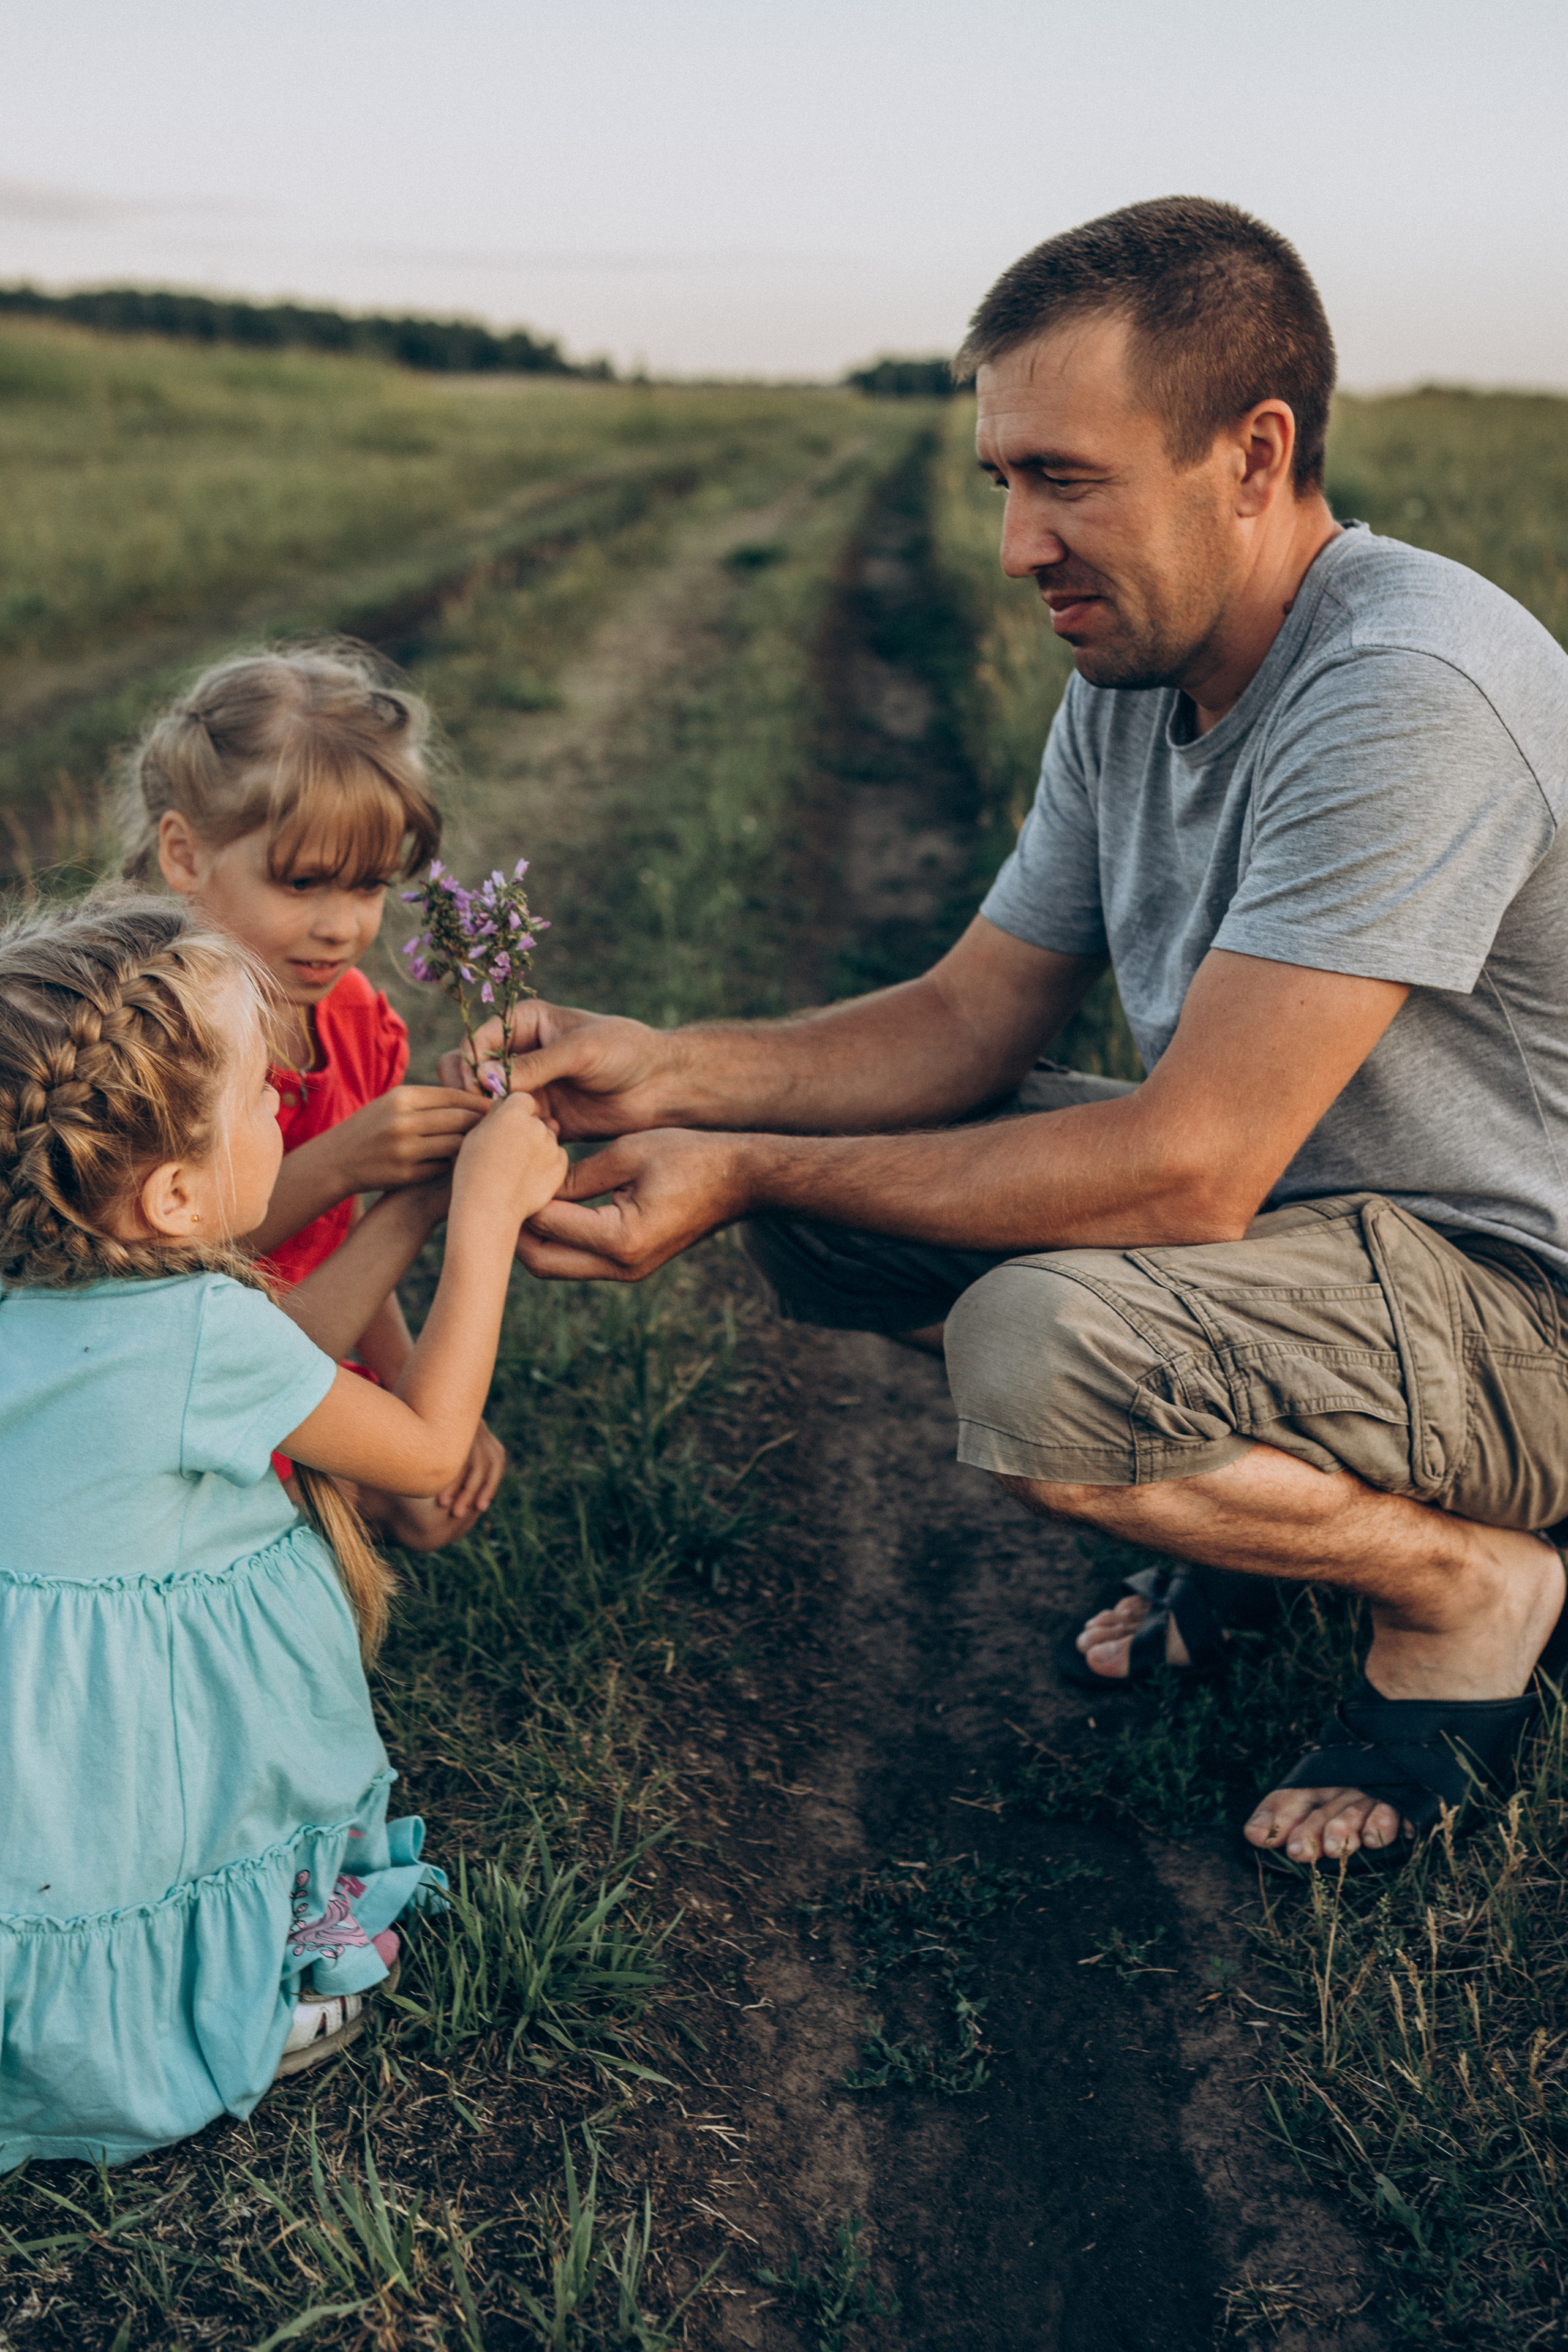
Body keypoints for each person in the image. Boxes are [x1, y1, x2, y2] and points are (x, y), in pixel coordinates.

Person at [449, 197, 1568, 1877]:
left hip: (1515, 1301)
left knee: (1037, 1352)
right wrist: (671, 1073)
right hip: (1321, 1246)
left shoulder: (1409, 683)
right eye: (1002, 481)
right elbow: (970, 1016)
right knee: (829, 1194)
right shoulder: (1136, 671)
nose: (1015, 545)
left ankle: (1464, 1586)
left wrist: (741, 1165)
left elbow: (1188, 1170)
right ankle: (1269, 1534)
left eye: (1063, 480)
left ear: (1253, 457)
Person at [0, 895, 565, 2169]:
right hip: (131, 1753)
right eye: (262, 1096)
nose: (284, 1109)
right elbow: (423, 1449)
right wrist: (483, 1222)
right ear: (176, 1194)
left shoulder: (40, 1285)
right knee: (189, 1836)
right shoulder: (202, 1332)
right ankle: (210, 1986)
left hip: (33, 1752)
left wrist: (406, 1205)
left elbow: (281, 1363)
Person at [121, 643, 499, 1551]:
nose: (341, 926)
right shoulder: (148, 1042)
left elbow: (343, 1241)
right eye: (302, 883)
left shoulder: (356, 1020)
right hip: (170, 1374)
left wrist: (407, 1385)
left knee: (431, 1511)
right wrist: (339, 1163)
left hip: (302, 1345)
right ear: (185, 853)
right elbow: (150, 1270)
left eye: (369, 885)